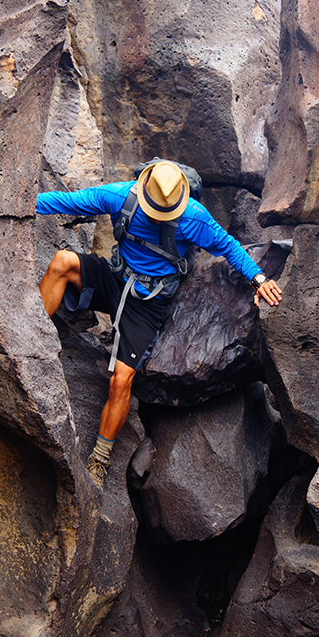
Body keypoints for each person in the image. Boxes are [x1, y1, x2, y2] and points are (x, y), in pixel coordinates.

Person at [36, 160, 283, 491]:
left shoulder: (193, 217)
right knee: (62, 263)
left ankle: (100, 458)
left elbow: (228, 246)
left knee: (121, 381)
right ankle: (31, 341)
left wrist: (258, 278)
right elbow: (66, 201)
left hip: (146, 302)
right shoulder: (121, 195)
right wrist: (17, 203)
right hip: (113, 277)